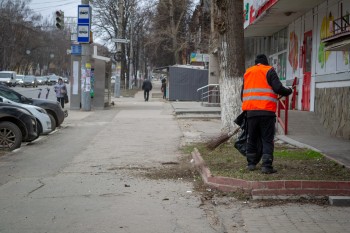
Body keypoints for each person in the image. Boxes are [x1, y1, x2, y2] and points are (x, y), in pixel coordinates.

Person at [241, 54, 292, 174]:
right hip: (267, 112)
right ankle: (266, 165)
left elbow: (242, 94)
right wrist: (288, 91)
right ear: (266, 62)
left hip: (251, 113)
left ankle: (251, 164)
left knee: (252, 138)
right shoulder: (269, 70)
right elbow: (278, 88)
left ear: (256, 63)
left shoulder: (248, 72)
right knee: (267, 139)